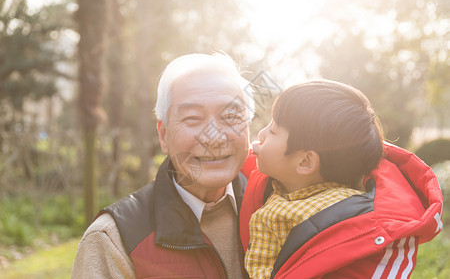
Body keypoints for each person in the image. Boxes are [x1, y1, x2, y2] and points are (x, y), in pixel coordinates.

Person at [72, 53, 256, 279]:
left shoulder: (277, 207)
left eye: (230, 116)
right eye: (193, 118)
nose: (214, 138)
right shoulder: (114, 239)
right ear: (163, 135)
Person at [240, 80, 443, 279]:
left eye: (273, 131)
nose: (261, 134)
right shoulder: (277, 185)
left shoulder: (335, 220)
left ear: (305, 162)